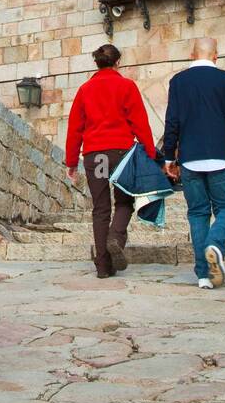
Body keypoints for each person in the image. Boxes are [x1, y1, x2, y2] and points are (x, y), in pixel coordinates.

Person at [161, 37, 225, 289]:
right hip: (221, 157)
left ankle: (203, 275)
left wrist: (169, 156)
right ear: (216, 56)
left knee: (198, 213)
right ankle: (216, 243)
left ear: (192, 55)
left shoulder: (178, 82)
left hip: (190, 159)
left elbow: (172, 122)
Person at [65, 44, 159, 278]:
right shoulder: (127, 86)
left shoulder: (85, 90)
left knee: (100, 208)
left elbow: (75, 128)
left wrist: (71, 162)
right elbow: (140, 122)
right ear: (118, 62)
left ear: (97, 63)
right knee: (125, 202)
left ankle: (103, 267)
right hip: (121, 153)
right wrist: (150, 152)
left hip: (95, 155)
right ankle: (115, 238)